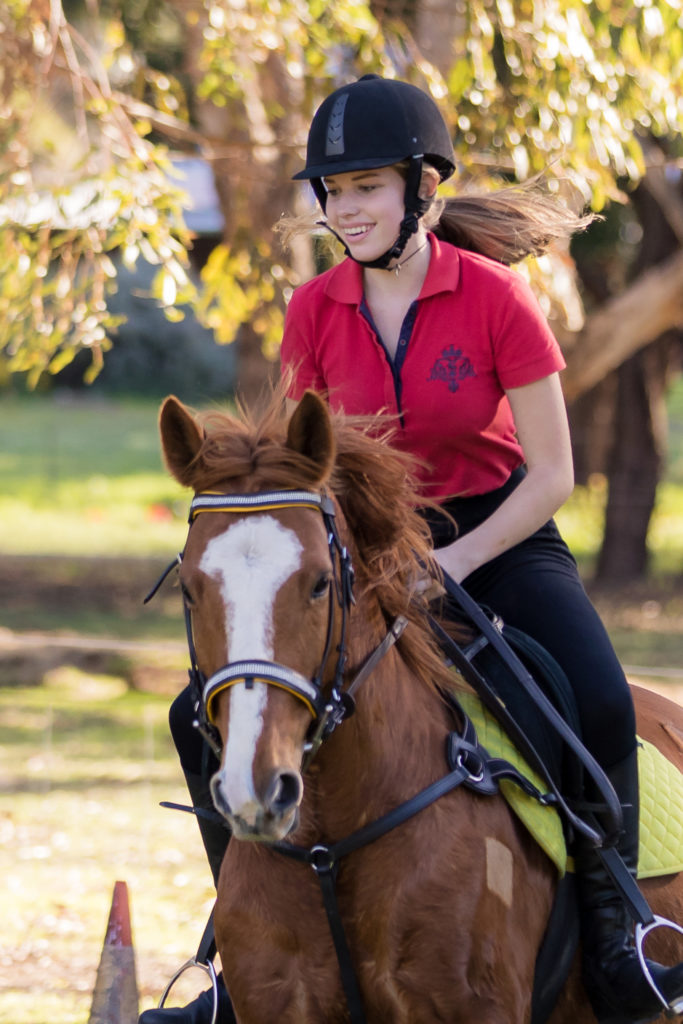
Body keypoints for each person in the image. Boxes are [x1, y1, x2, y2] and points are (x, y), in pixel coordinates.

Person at [142, 74, 683, 1024]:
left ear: (420, 189)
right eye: (332, 191)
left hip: (502, 537)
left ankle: (615, 921)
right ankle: (244, 938)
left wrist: (462, 562)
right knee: (202, 708)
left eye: (364, 188)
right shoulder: (314, 308)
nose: (344, 210)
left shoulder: (494, 299)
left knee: (592, 694)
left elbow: (552, 473)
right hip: (360, 551)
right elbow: (302, 461)